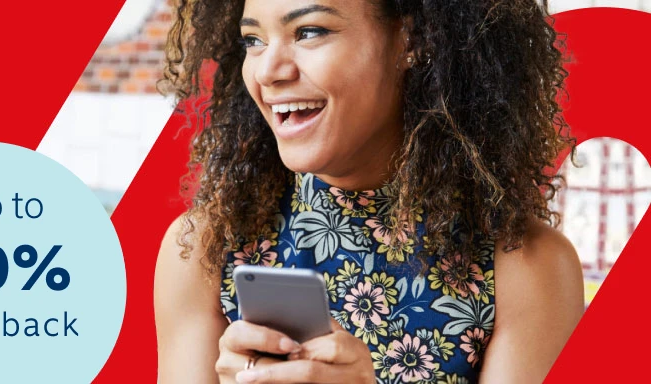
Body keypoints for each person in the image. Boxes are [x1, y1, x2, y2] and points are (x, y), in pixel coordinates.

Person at [155, 0, 584, 383]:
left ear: (412, 39)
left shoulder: (524, 266)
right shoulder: (205, 249)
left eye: (309, 31)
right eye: (253, 39)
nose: (268, 70)